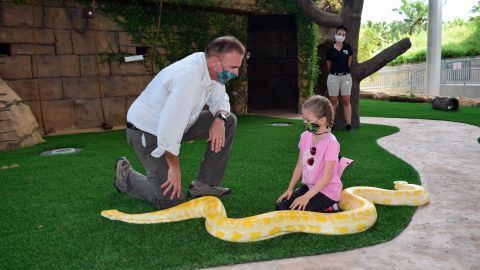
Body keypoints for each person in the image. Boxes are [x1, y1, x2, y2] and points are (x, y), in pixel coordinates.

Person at [114, 36, 245, 209]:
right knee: (171, 203)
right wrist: (174, 167)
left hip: (180, 124)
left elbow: (220, 100)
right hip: (146, 130)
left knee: (228, 121)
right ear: (215, 61)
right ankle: (125, 176)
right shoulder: (189, 76)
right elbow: (170, 126)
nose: (236, 73)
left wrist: (220, 119)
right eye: (233, 67)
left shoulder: (213, 70)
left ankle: (204, 185)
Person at [276, 95, 343, 212]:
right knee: (281, 206)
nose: (305, 123)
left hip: (327, 191)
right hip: (309, 187)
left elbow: (327, 177)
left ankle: (331, 206)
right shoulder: (304, 136)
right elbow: (300, 165)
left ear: (322, 121)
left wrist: (306, 197)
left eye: (309, 120)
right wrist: (290, 189)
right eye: (304, 119)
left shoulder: (332, 143)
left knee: (296, 211)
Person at [325, 25, 353, 131]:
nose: (341, 36)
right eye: (339, 34)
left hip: (346, 77)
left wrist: (344, 70)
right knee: (333, 100)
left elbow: (349, 60)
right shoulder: (330, 49)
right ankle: (330, 124)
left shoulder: (347, 48)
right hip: (333, 77)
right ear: (335, 34)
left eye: (343, 35)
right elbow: (328, 63)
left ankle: (348, 124)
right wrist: (335, 72)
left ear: (345, 36)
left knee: (346, 100)